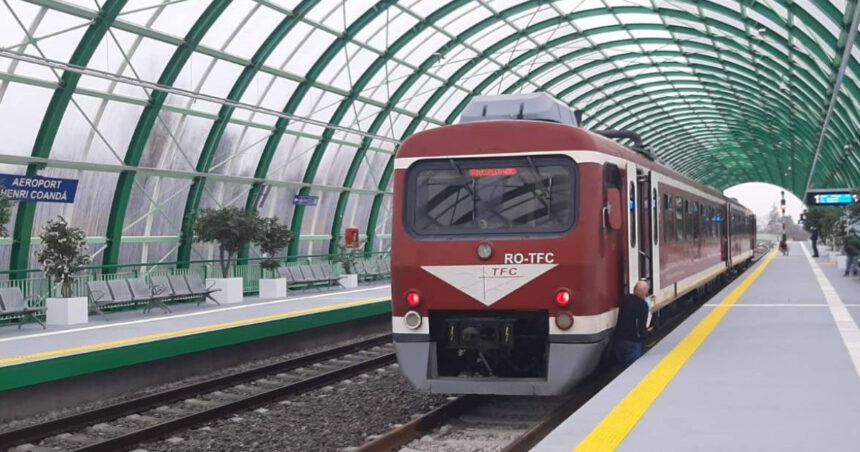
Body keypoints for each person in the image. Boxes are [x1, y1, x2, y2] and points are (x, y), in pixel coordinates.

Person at [613, 280, 653, 368]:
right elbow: (641, 326)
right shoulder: (643, 305)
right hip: (632, 341)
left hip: (618, 340)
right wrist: (645, 337)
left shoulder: (625, 299)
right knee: (632, 368)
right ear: (645, 292)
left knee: (623, 366)